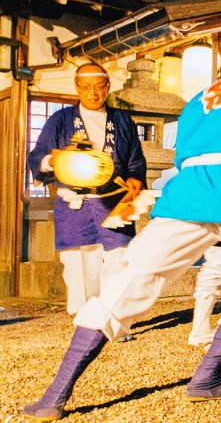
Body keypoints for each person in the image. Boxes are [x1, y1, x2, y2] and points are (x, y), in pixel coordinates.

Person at [23, 29, 221, 421]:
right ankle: (208, 375)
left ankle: (55, 395)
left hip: (187, 191)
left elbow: (183, 152)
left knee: (131, 275)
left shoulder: (199, 99)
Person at [28, 63, 146, 317]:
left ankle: (112, 316)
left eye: (99, 87)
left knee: (120, 258)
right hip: (75, 202)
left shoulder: (123, 122)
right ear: (77, 88)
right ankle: (85, 318)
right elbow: (37, 155)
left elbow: (135, 162)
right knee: (79, 264)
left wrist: (136, 179)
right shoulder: (60, 120)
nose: (93, 93)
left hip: (113, 201)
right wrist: (55, 159)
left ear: (108, 87)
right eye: (86, 87)